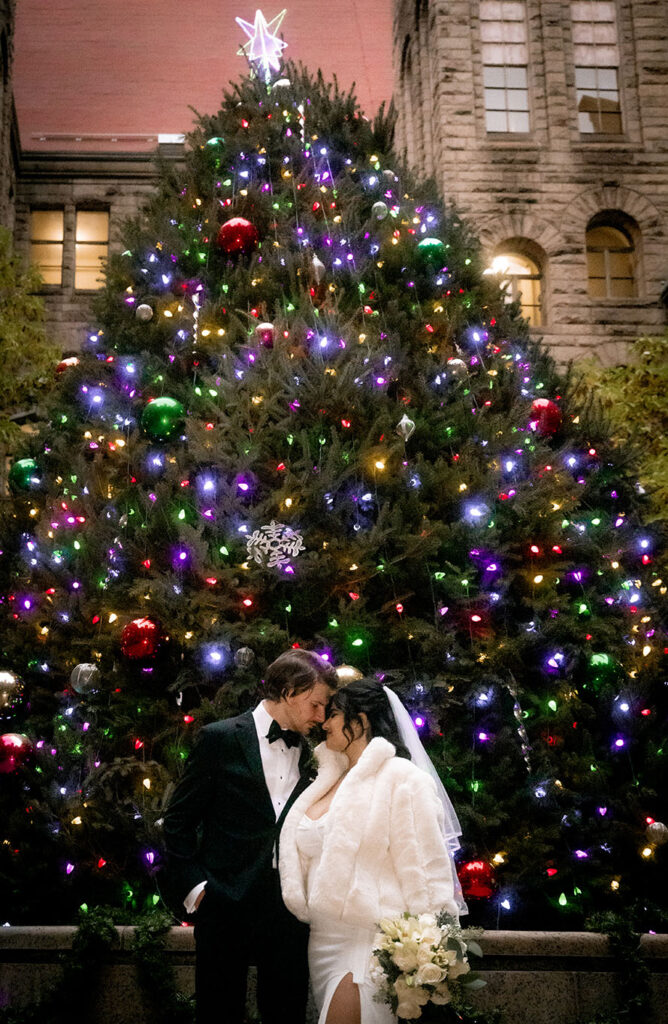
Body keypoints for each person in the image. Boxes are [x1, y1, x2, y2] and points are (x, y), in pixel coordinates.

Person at [162, 648, 338, 1024]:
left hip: (288, 909)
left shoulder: (317, 753)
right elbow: (177, 821)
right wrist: (197, 889)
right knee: (218, 1012)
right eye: (315, 704)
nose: (321, 717)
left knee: (286, 1011)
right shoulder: (219, 738)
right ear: (289, 692)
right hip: (224, 904)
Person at [279, 679, 465, 1024]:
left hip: (368, 943)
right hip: (321, 941)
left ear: (360, 721)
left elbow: (427, 872)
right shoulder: (325, 779)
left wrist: (433, 952)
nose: (324, 722)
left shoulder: (404, 779)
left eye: (333, 714)